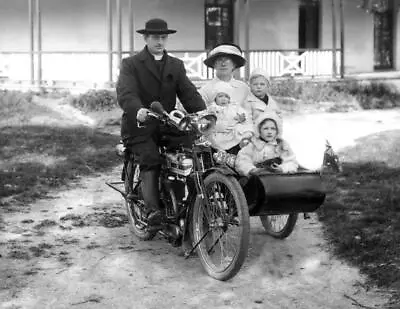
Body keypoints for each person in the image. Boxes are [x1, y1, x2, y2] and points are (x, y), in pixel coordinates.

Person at [116, 18, 206, 226]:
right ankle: (152, 211)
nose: (160, 41)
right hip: (139, 125)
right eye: (155, 37)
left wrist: (203, 113)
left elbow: (188, 93)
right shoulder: (131, 64)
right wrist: (137, 109)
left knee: (193, 152)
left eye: (163, 37)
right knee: (150, 158)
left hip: (167, 123)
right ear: (146, 38)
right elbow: (126, 92)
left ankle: (193, 204)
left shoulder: (176, 65)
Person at [235, 111, 298, 177]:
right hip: (257, 178)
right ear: (259, 130)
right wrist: (251, 170)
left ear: (277, 131)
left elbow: (291, 161)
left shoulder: (281, 145)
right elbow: (242, 160)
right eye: (265, 129)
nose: (269, 132)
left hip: (277, 178)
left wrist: (282, 168)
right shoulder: (252, 145)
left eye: (273, 129)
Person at [205, 81, 253, 154]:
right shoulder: (212, 109)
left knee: (243, 131)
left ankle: (238, 150)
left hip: (232, 132)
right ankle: (220, 153)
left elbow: (245, 115)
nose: (223, 99)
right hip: (219, 133)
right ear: (215, 98)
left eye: (226, 96)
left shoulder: (233, 107)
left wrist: (241, 118)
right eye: (220, 96)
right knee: (215, 140)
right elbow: (207, 121)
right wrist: (216, 126)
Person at [199, 43, 250, 107]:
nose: (223, 64)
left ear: (234, 64)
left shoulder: (244, 89)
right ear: (214, 64)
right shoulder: (205, 90)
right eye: (220, 60)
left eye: (227, 60)